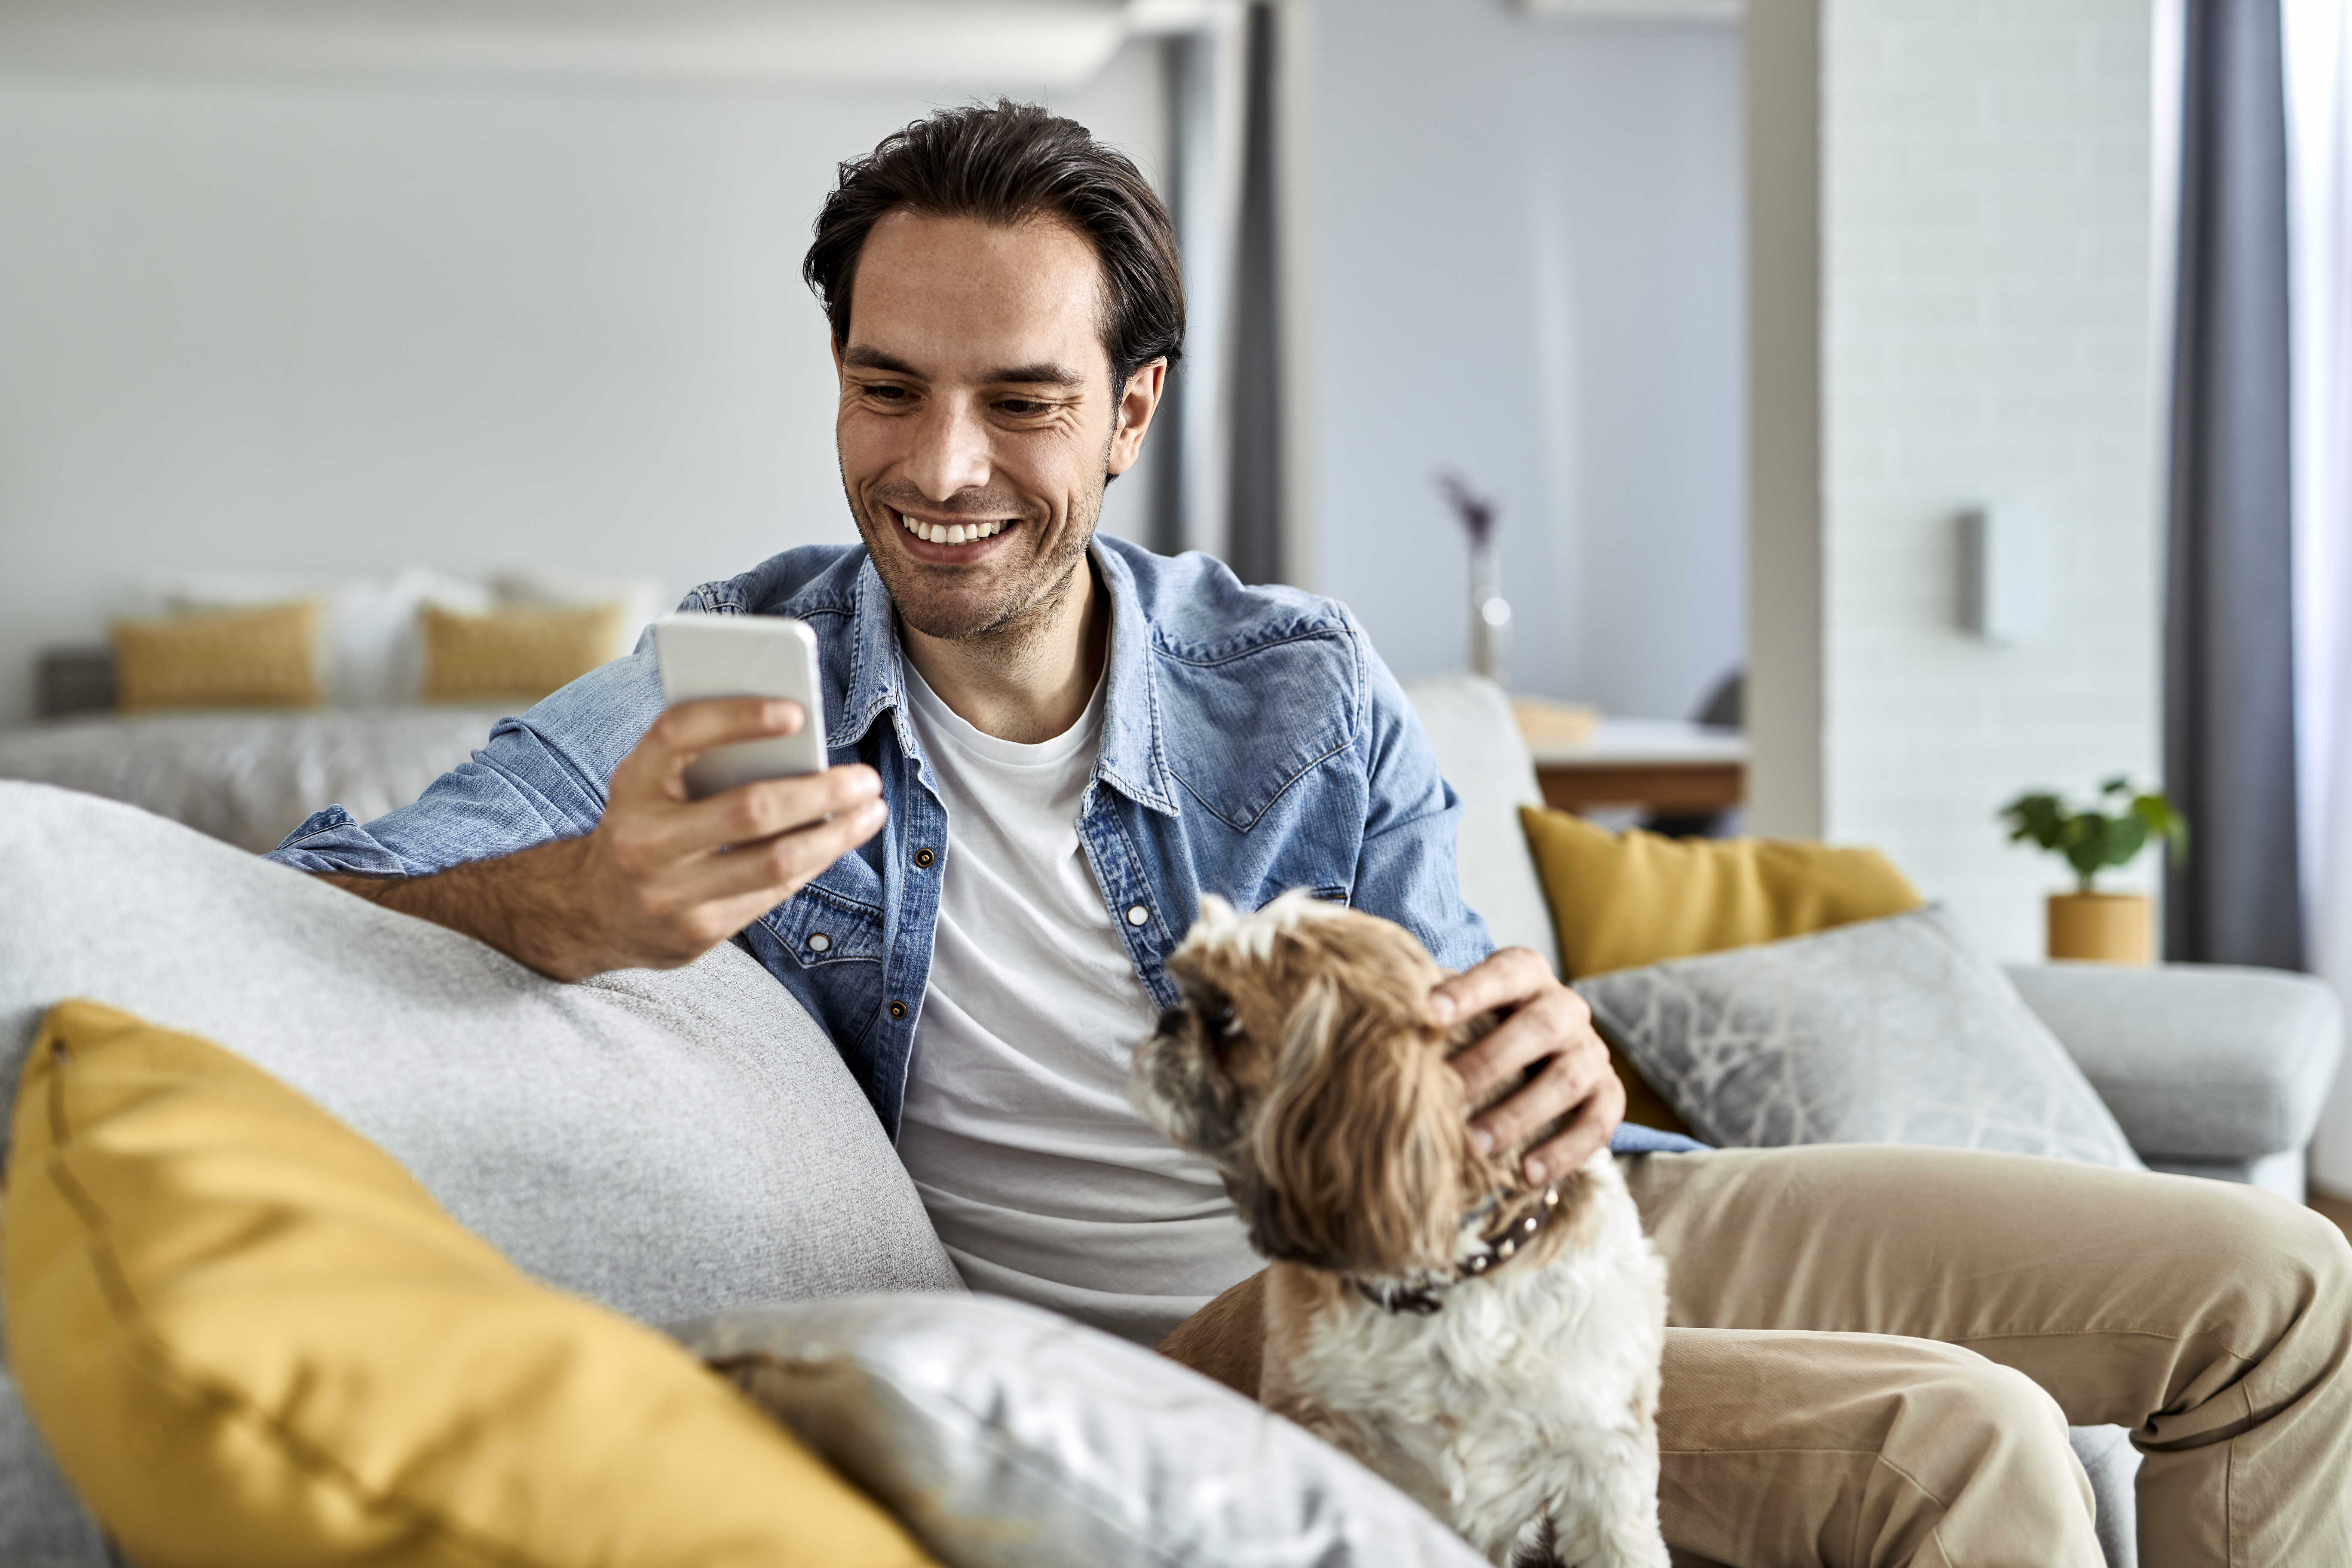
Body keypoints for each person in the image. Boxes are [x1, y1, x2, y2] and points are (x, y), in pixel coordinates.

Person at [272, 102, 2352, 1567]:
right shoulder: (733, 683)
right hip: (1292, 1337)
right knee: (1969, 1451)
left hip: (1554, 1227)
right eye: (887, 390)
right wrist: (582, 898)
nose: (941, 467)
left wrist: (1539, 1049)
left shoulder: (1294, 679)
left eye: (1019, 400)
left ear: (1134, 409)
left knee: (2278, 1291)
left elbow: (1451, 1017)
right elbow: (323, 894)